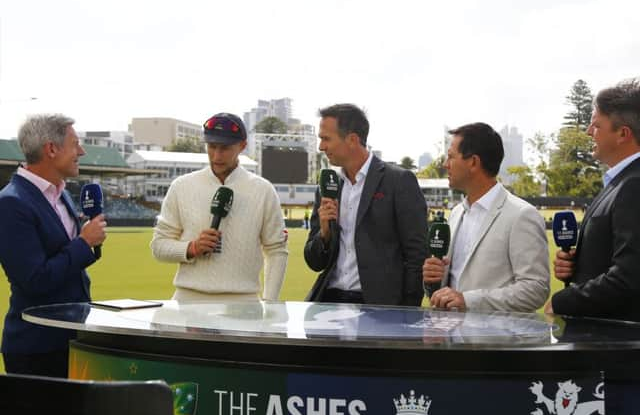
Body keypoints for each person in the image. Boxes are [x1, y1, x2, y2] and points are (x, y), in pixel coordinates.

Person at [0, 114, 106, 377]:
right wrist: (84, 242)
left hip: (71, 339)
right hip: (36, 348)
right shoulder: (11, 203)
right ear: (51, 149)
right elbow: (35, 280)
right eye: (75, 143)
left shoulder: (62, 194)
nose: (81, 151)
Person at [151, 112, 288, 301]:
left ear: (242, 146)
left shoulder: (263, 190)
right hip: (187, 303)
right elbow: (159, 246)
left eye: (224, 148)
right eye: (212, 147)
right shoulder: (181, 186)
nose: (216, 156)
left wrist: (271, 302)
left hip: (244, 304)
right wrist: (192, 248)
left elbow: (276, 250)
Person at [304, 104, 428, 306]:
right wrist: (324, 235)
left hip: (379, 307)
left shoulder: (398, 181)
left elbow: (417, 253)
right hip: (329, 302)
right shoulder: (328, 186)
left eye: (326, 138)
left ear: (352, 139)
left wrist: (406, 311)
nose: (321, 147)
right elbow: (314, 262)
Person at [423, 123, 549, 312]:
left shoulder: (521, 215)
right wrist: (433, 280)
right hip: (449, 336)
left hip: (494, 339)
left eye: (450, 157)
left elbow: (535, 289)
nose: (445, 164)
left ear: (473, 162)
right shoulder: (456, 214)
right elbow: (451, 284)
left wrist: (469, 300)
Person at [549, 78, 640, 321]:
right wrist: (574, 268)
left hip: (617, 346)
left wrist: (562, 302)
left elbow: (628, 278)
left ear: (623, 133)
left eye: (596, 125)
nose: (589, 132)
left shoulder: (634, 184)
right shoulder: (620, 182)